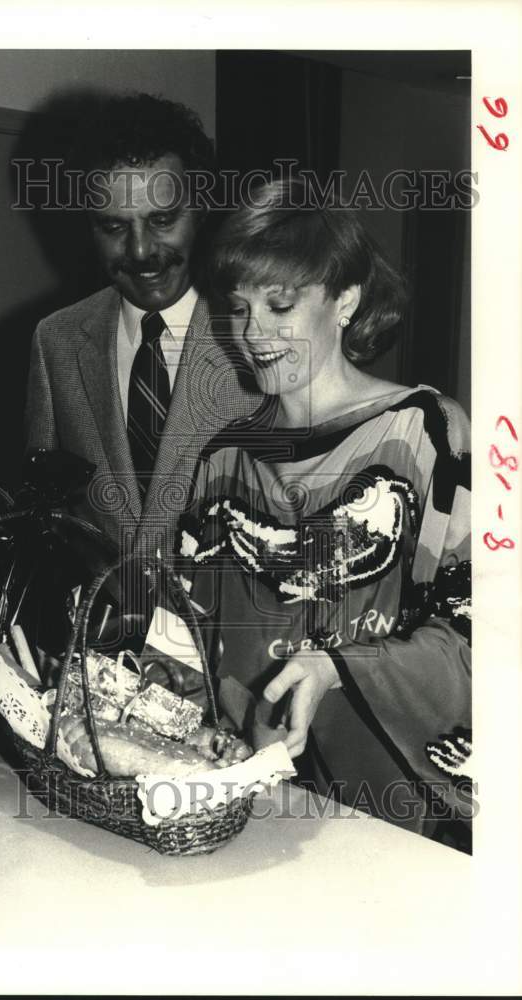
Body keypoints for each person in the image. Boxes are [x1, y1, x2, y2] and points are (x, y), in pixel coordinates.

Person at [178, 179, 472, 841]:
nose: (252, 333)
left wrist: (337, 668)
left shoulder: (425, 434)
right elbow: (190, 642)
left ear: (347, 300)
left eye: (279, 304)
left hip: (392, 813)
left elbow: (482, 635)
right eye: (238, 307)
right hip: (252, 807)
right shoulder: (224, 459)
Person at [24, 93, 261, 561]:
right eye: (114, 227)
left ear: (201, 209)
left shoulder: (260, 335)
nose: (139, 251)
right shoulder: (56, 340)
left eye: (162, 221)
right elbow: (44, 515)